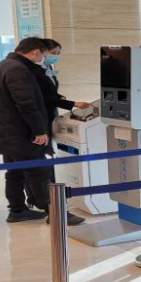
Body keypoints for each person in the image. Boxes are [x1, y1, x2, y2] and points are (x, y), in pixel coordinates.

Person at [0, 37, 56, 224]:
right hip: (18, 133)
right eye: (43, 55)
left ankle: (17, 210)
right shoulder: (18, 69)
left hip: (6, 133)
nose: (42, 59)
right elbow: (26, 104)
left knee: (15, 173)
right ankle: (54, 211)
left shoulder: (2, 65)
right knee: (38, 171)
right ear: (35, 52)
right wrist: (39, 130)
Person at [30, 38, 89, 226]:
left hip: (47, 118)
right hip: (41, 122)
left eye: (58, 53)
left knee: (40, 166)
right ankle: (54, 208)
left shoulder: (45, 69)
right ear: (42, 52)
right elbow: (44, 98)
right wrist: (72, 103)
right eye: (53, 53)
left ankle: (39, 201)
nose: (56, 56)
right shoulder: (33, 71)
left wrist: (59, 98)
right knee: (45, 166)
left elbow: (50, 94)